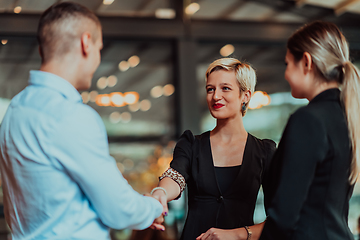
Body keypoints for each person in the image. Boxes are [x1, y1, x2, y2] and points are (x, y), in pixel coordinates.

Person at [0, 2, 164, 240]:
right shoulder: (71, 115)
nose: (98, 59)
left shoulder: (14, 110)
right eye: (99, 48)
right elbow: (120, 211)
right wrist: (154, 207)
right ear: (86, 43)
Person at [151, 58, 276, 240]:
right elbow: (175, 176)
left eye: (225, 88)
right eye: (210, 89)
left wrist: (237, 234)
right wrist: (160, 193)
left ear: (246, 96)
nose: (216, 96)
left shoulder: (265, 151)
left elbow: (279, 220)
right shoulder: (191, 144)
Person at [259, 21, 360, 240]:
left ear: (306, 62)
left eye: (287, 64)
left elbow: (284, 216)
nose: (285, 74)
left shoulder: (308, 120)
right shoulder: (346, 116)